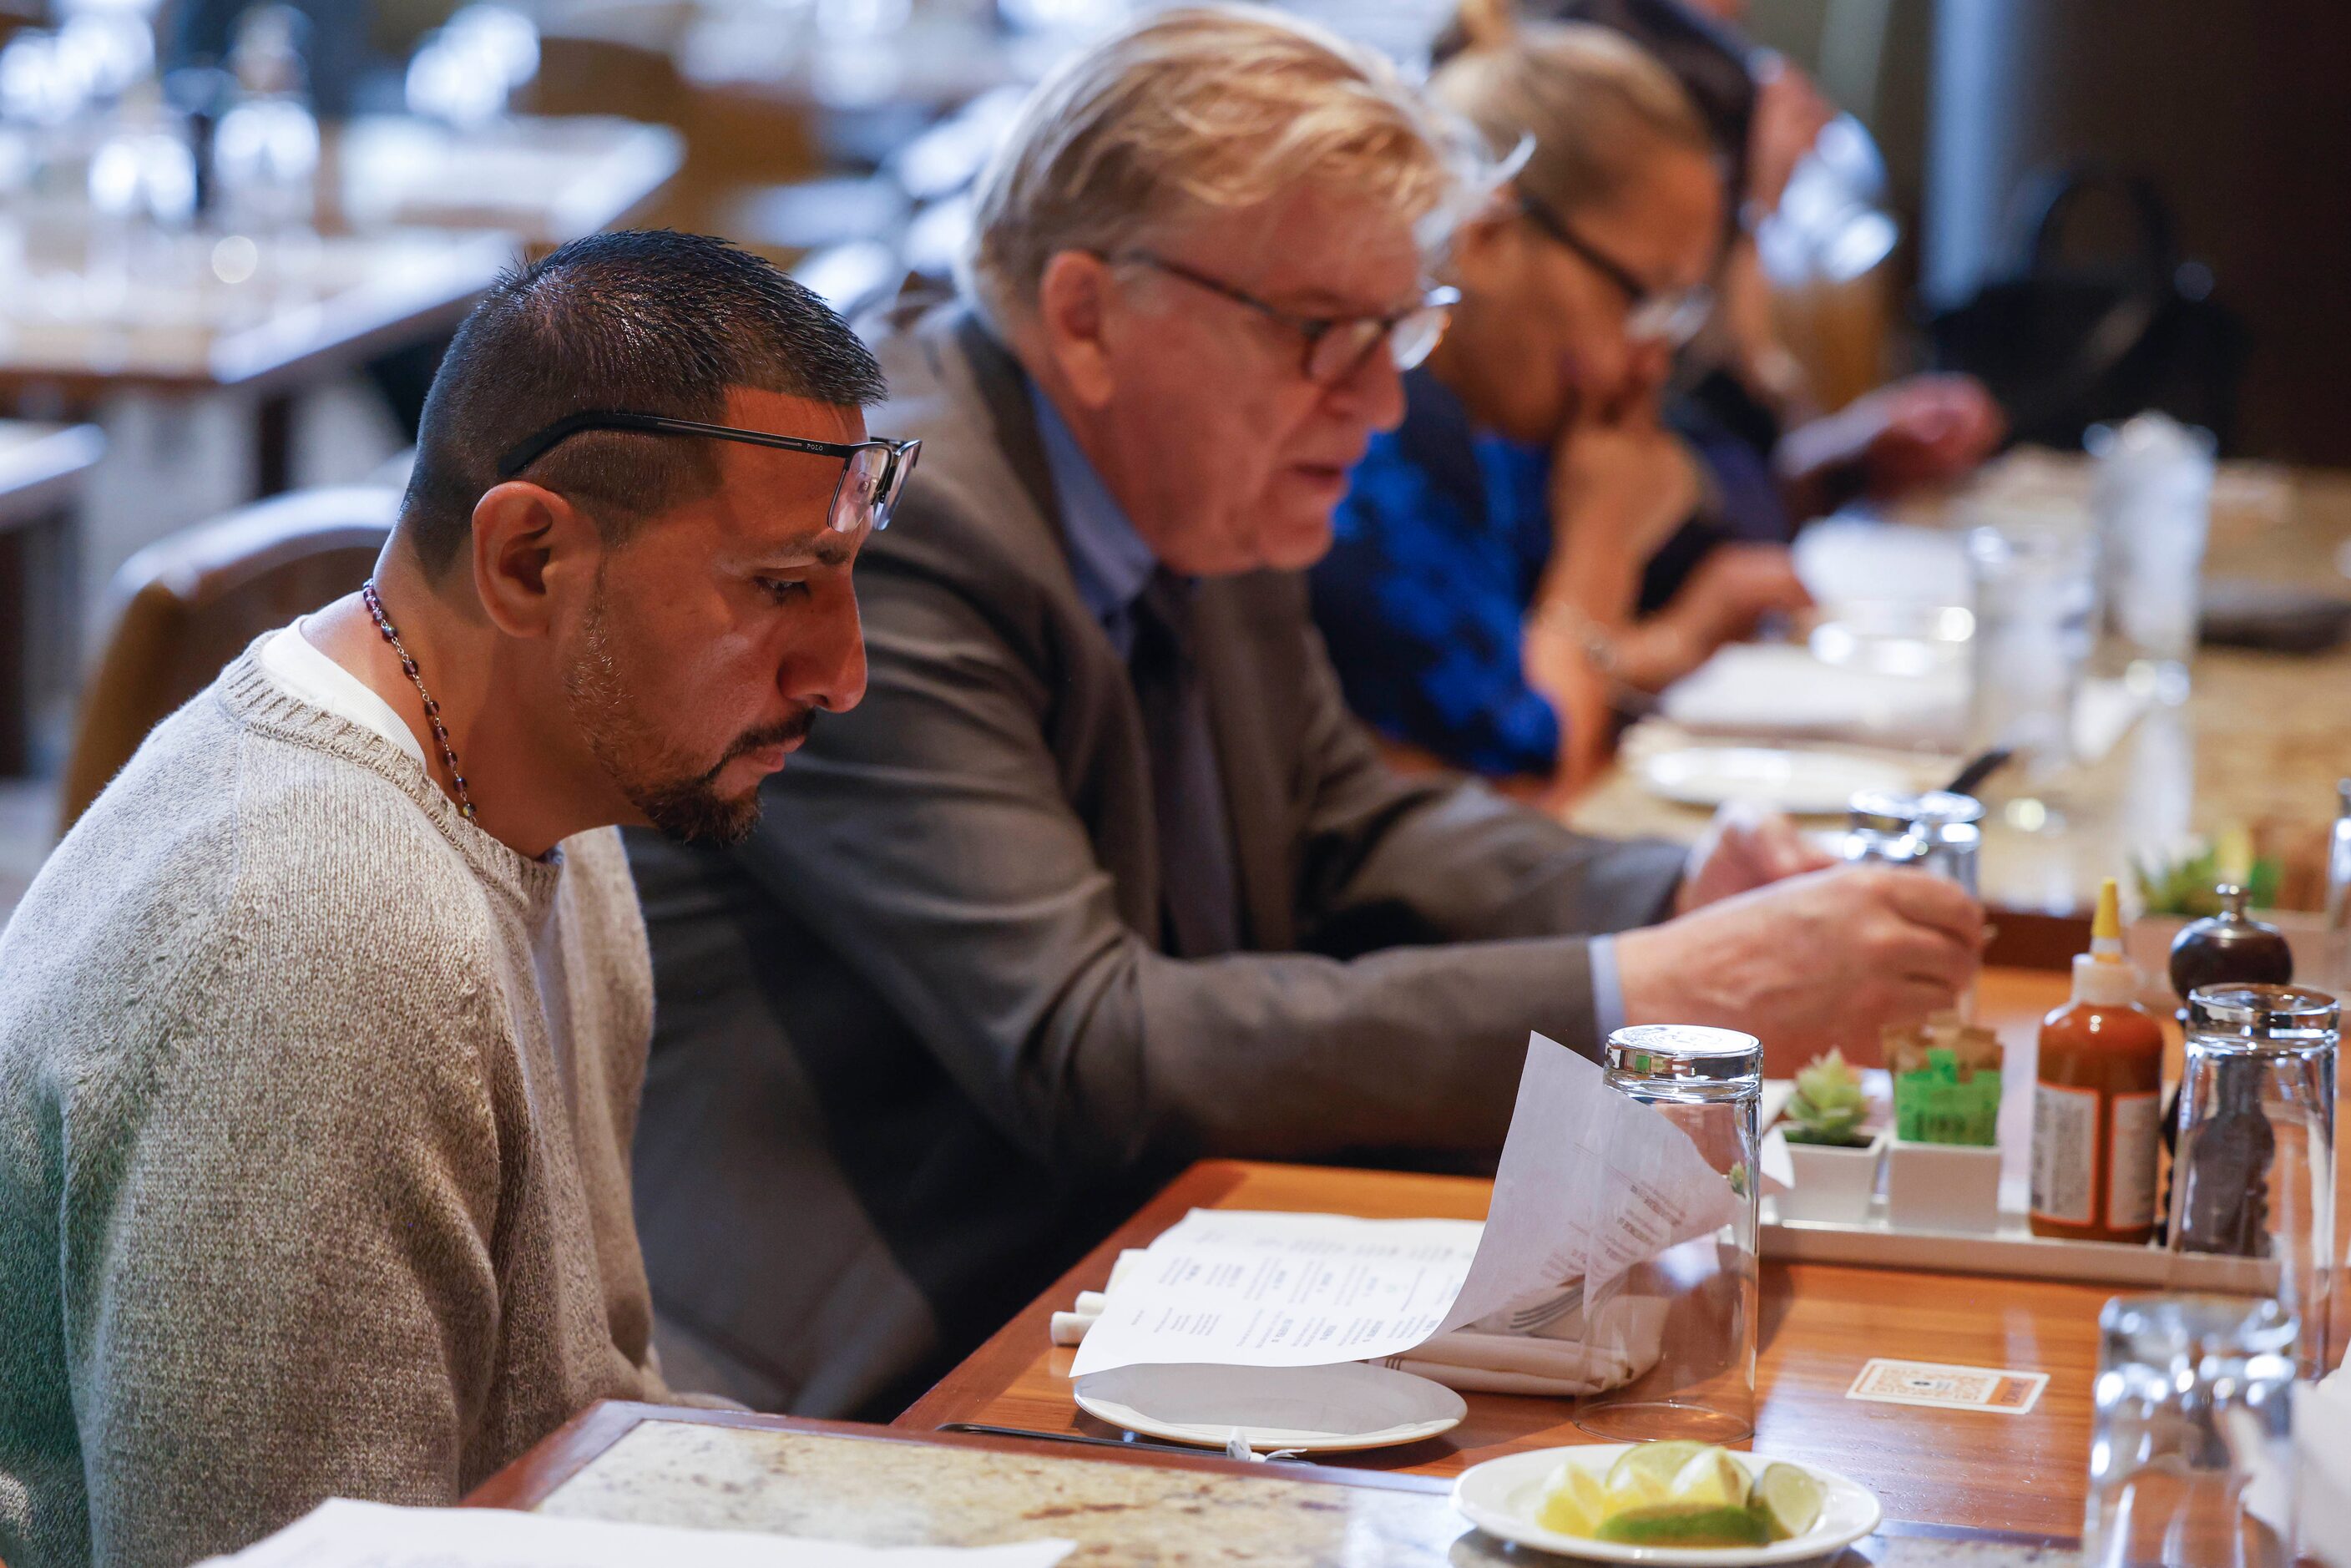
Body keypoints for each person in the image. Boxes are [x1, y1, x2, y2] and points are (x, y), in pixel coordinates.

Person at [624, 4, 1984, 1421]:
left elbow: (1344, 819)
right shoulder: (901, 525)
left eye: (1403, 331)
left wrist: (1671, 884)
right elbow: (1091, 1044)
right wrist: (1643, 995)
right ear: (1088, 316)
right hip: (881, 1360)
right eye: (1328, 334)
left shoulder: (1192, 473)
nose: (1384, 403)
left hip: (1150, 1265)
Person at [0, 230, 903, 1568]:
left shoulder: (549, 788)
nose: (845, 670)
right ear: (530, 558)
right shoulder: (317, 939)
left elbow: (584, 1417)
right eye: (782, 587)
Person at [1310, 21, 1812, 798]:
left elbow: (1527, 671)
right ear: (1490, 238)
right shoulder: (1374, 442)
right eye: (1640, 299)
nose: (1652, 361)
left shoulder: (1493, 431)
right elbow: (1531, 779)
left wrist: (1681, 637)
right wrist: (1601, 541)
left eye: (1678, 311)